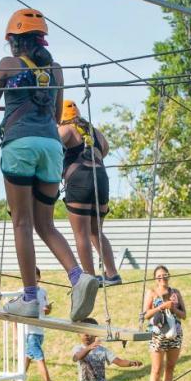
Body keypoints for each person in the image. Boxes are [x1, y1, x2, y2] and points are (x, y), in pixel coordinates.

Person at [0, 9, 99, 320]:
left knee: (22, 224)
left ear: (14, 42)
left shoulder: (7, 65)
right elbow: (55, 117)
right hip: (51, 147)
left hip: (20, 146)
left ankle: (30, 297)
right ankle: (79, 277)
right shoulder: (56, 70)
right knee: (46, 225)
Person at [58, 100, 121, 287]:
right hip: (101, 178)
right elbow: (106, 149)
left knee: (81, 234)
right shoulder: (96, 133)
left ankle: (91, 277)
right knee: (96, 232)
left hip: (79, 179)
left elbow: (54, 146)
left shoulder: (66, 130)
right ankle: (113, 274)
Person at [143, 265, 186, 381]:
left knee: (170, 367)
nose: (162, 278)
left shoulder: (176, 292)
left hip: (175, 333)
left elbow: (184, 314)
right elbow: (146, 315)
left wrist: (173, 308)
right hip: (157, 334)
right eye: (159, 276)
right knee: (156, 369)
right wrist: (162, 307)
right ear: (155, 278)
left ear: (169, 276)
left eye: (165, 275)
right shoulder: (152, 292)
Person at [24, 266, 59, 381]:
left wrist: (48, 309)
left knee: (28, 356)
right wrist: (16, 333)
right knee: (40, 358)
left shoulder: (43, 292)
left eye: (34, 275)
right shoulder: (22, 291)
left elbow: (46, 311)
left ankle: (18, 380)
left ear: (39, 277)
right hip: (29, 331)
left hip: (40, 330)